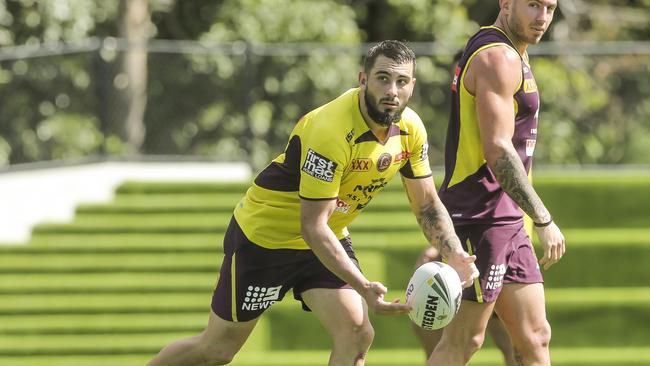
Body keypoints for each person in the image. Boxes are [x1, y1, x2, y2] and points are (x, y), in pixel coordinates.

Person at [147, 40, 478, 366]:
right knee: (216, 350)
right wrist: (362, 286)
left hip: (324, 239)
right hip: (266, 239)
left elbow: (427, 205)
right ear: (363, 79)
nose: (392, 90)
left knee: (357, 333)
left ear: (412, 86)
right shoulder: (330, 130)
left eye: (401, 81)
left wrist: (455, 254)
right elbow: (312, 226)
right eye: (383, 78)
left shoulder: (411, 130)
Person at [428, 1, 566, 365]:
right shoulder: (498, 57)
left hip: (507, 217)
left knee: (535, 338)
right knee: (463, 341)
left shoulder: (513, 53)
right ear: (506, 2)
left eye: (550, 8)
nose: (542, 17)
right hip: (481, 215)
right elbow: (499, 150)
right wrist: (543, 218)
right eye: (533, 5)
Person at [411, 49, 518, 366]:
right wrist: (442, 251)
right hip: (476, 243)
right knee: (456, 336)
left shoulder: (502, 128)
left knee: (523, 345)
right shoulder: (462, 137)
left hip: (503, 243)